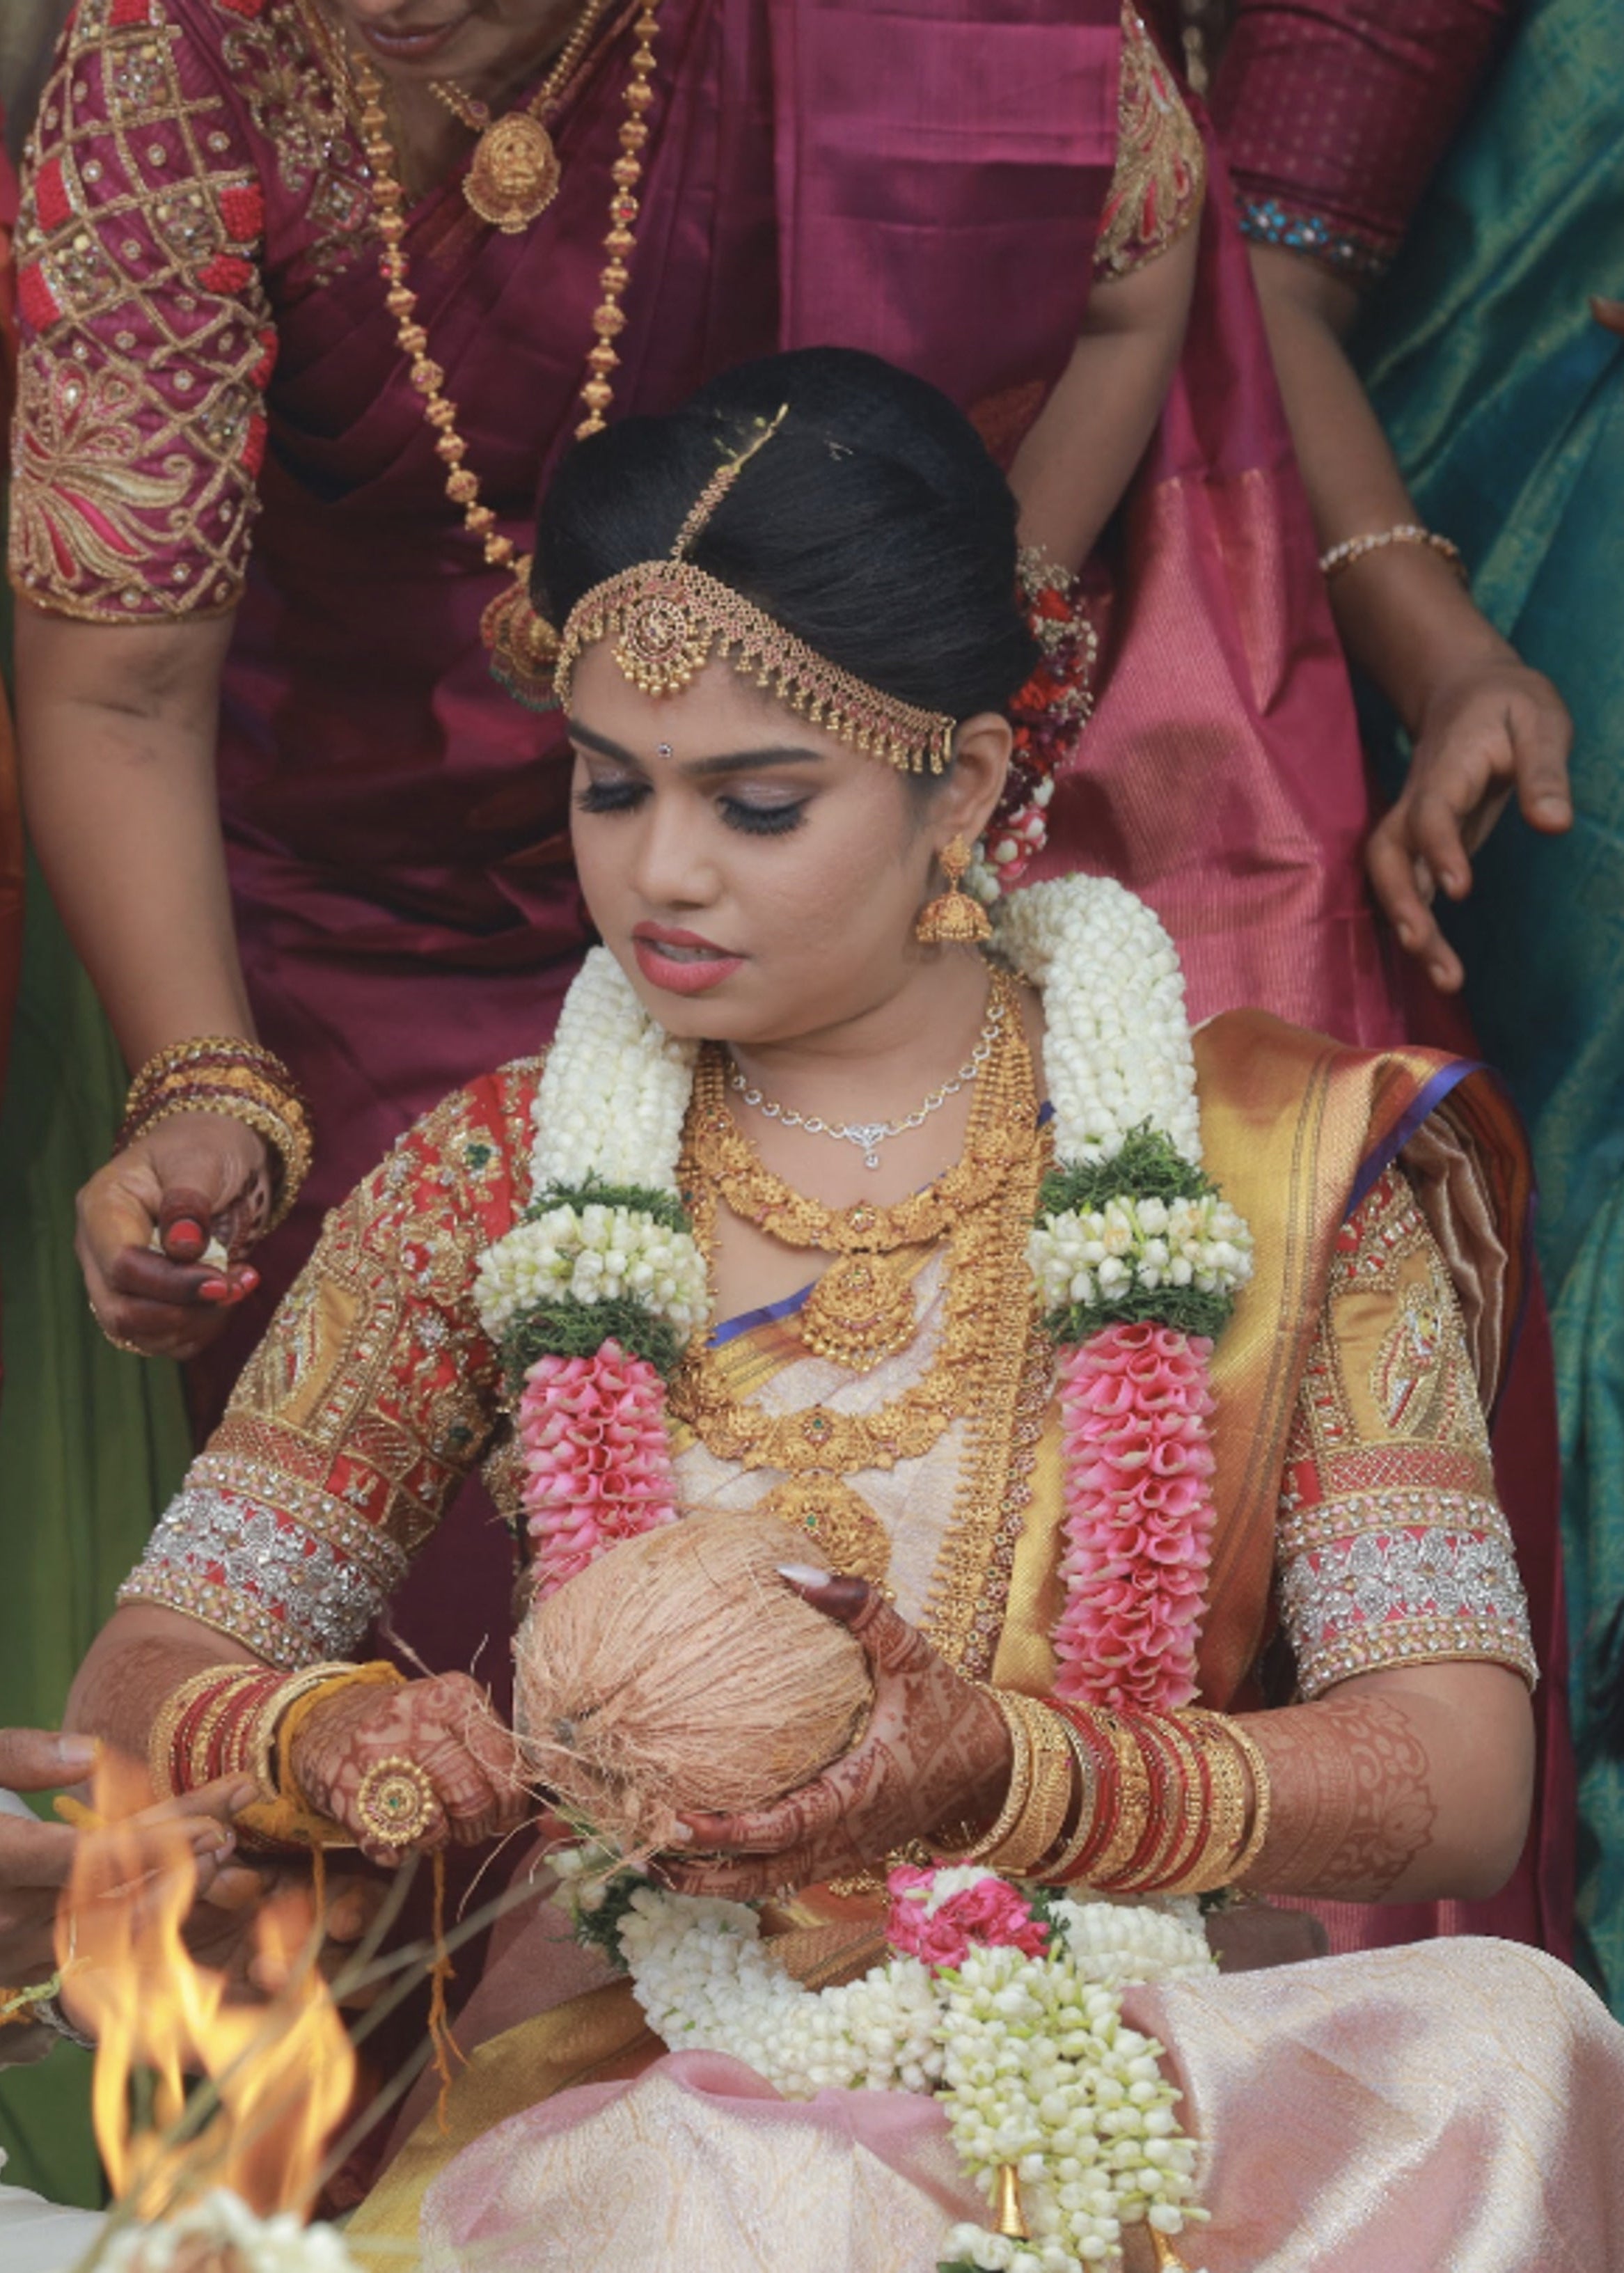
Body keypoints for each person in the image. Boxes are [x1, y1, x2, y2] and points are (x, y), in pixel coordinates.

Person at [63, 351, 1619, 2267]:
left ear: (959, 777)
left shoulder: (1253, 1158)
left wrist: (1011, 1770)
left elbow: (1457, 1779)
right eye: (609, 785)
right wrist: (321, 1738)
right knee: (732, 2203)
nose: (661, 871)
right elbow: (139, 1679)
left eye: (759, 799)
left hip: (1134, 2020)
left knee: (1513, 2042)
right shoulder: (498, 1171)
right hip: (655, 2079)